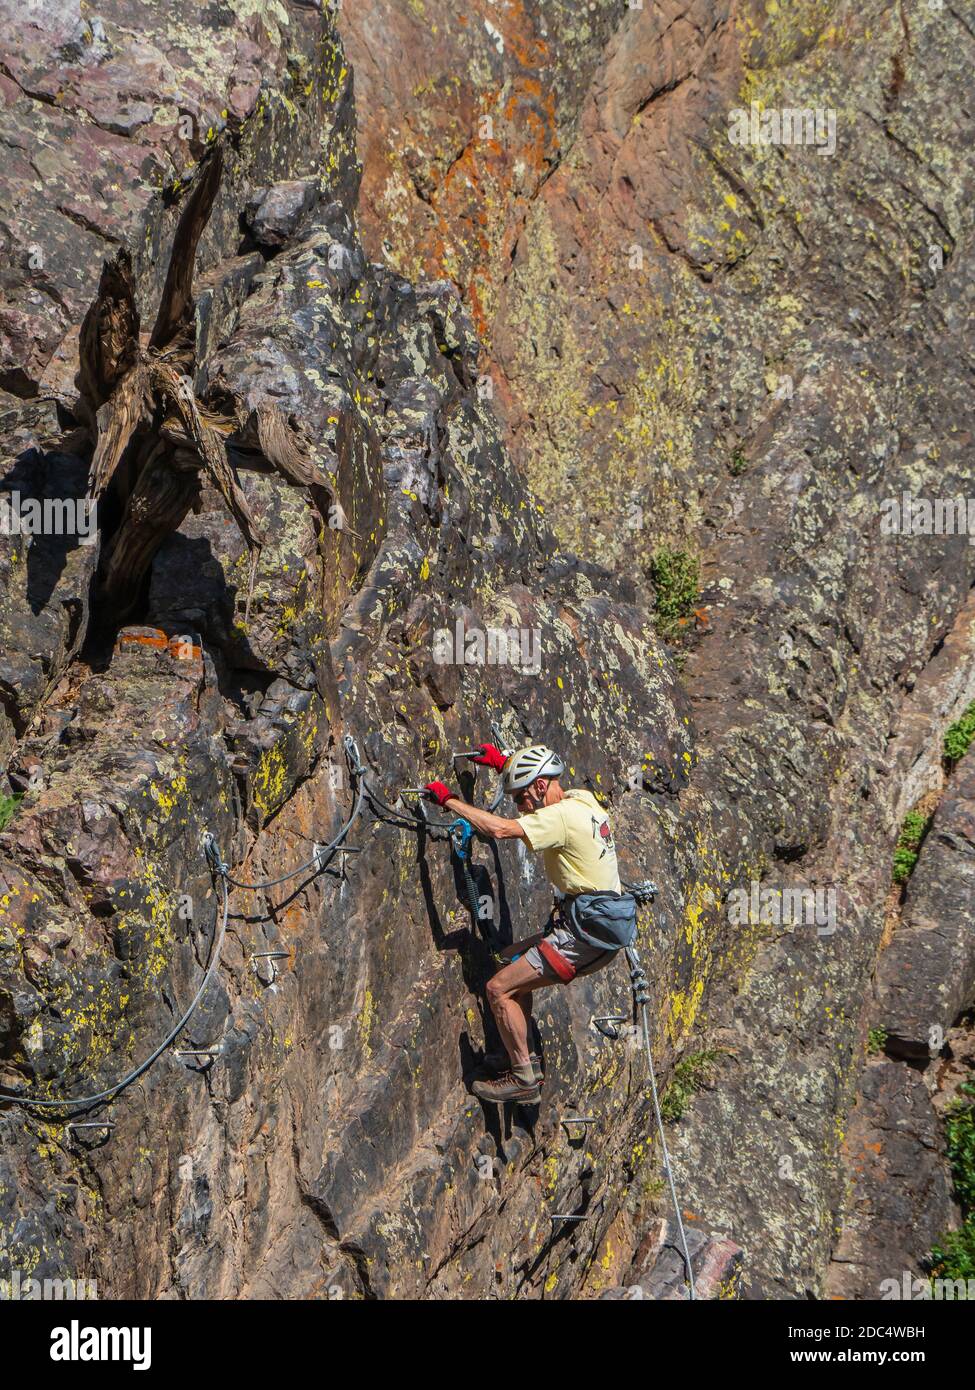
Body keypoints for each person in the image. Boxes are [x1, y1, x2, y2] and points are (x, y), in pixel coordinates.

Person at [423, 743, 624, 1104]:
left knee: (498, 989)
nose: (520, 806)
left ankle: (522, 1078)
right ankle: (514, 1049)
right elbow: (536, 796)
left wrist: (449, 800)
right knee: (511, 961)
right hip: (593, 925)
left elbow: (500, 830)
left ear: (541, 787)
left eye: (521, 796)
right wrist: (505, 765)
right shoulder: (582, 800)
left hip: (584, 934)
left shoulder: (560, 817)